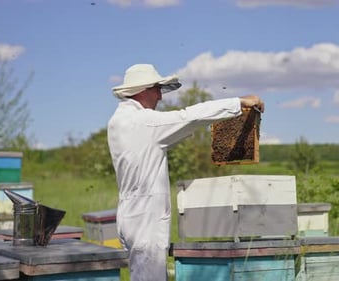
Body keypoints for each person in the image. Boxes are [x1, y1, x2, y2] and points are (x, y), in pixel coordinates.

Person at [107, 63, 264, 281]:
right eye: (157, 90)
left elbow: (166, 136)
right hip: (145, 218)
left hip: (129, 214)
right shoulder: (144, 122)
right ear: (143, 90)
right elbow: (188, 117)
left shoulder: (118, 122)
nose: (160, 97)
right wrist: (237, 103)